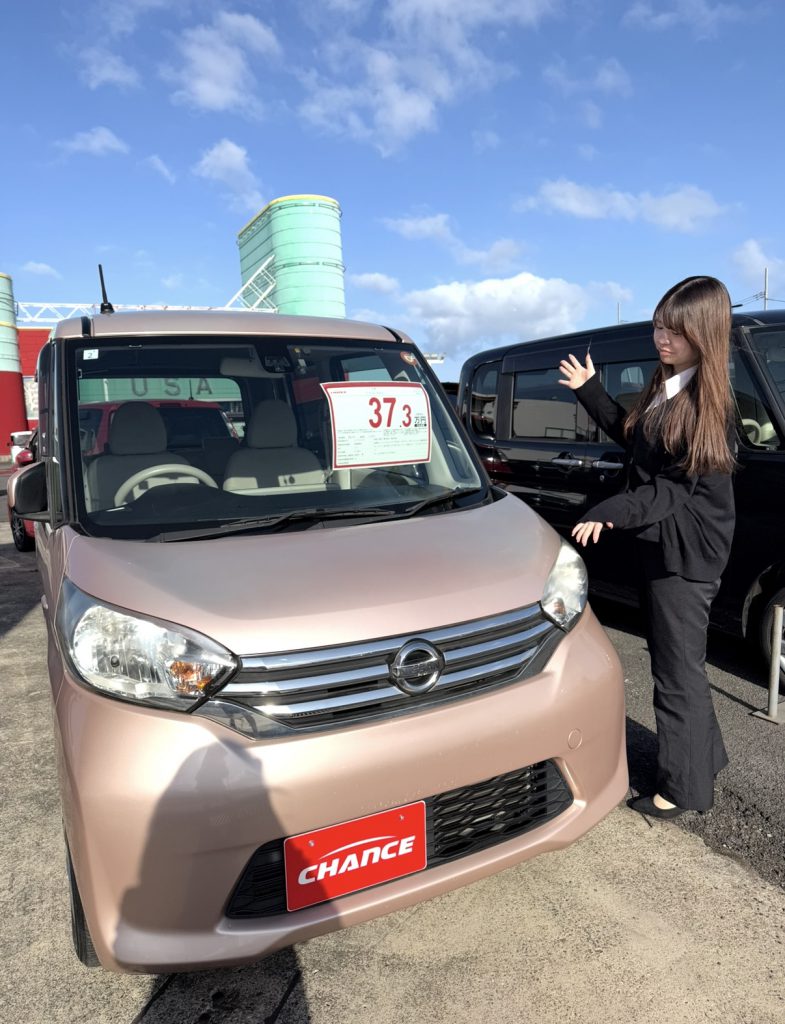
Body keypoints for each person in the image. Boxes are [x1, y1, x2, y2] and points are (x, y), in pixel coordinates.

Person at [558, 275, 736, 820]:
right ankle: (705, 759)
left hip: (686, 556)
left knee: (675, 673)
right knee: (682, 664)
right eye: (659, 326)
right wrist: (591, 390)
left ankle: (682, 790)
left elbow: (670, 490)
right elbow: (638, 440)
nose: (662, 338)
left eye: (675, 331)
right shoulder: (670, 383)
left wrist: (609, 511)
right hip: (667, 545)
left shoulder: (706, 403)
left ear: (704, 334)